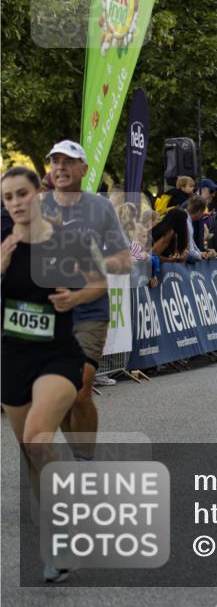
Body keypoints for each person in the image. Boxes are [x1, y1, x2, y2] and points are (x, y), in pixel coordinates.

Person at [2, 167, 108, 582]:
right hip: (12, 358)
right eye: (7, 196)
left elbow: (100, 283)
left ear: (38, 194)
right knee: (33, 455)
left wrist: (74, 298)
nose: (14, 203)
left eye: (21, 194)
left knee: (37, 436)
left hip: (57, 356)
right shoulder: (2, 245)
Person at [40, 140, 132, 462]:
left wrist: (93, 264)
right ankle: (79, 452)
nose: (60, 167)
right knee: (61, 395)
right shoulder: (38, 207)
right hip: (49, 313)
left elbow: (125, 259)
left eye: (68, 162)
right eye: (55, 162)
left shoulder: (101, 208)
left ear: (84, 169)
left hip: (90, 309)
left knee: (80, 390)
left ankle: (85, 461)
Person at [185, 197, 217, 262]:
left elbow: (192, 245)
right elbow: (190, 253)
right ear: (199, 211)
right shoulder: (187, 222)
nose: (203, 214)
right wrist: (203, 255)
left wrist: (202, 253)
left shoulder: (188, 220)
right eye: (203, 212)